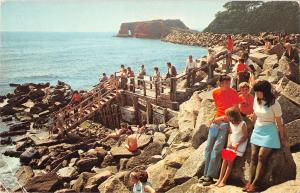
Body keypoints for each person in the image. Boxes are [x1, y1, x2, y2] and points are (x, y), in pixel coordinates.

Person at [243, 80, 288, 192]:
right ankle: (249, 182)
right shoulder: (256, 99)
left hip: (270, 130)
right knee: (253, 156)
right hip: (258, 128)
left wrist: (282, 137)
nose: (257, 94)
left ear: (266, 91)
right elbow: (255, 115)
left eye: (259, 92)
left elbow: (279, 122)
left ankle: (255, 184)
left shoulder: (274, 103)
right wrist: (251, 127)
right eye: (256, 91)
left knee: (261, 156)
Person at [200, 74, 241, 186]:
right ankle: (205, 174)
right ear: (221, 83)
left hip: (225, 124)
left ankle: (210, 176)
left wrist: (224, 118)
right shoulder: (215, 93)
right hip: (215, 123)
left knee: (217, 149)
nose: (228, 84)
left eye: (229, 82)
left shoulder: (233, 92)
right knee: (208, 148)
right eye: (226, 82)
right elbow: (218, 107)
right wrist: (215, 119)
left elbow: (236, 110)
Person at [215, 107, 248, 187]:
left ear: (233, 116)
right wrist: (229, 142)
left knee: (230, 163)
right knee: (224, 161)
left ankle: (224, 180)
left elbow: (245, 136)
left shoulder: (242, 123)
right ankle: (220, 178)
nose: (226, 117)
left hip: (238, 145)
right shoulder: (230, 122)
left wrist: (237, 144)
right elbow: (230, 133)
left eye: (228, 116)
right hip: (231, 143)